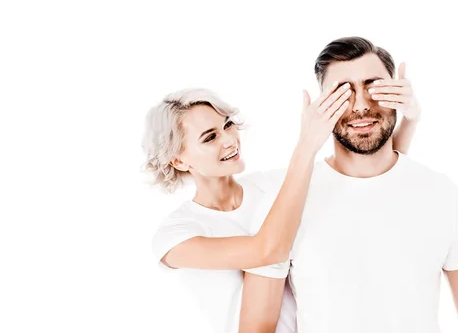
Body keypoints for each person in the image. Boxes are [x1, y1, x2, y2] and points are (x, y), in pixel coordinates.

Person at [239, 37, 458, 333]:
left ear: (397, 92)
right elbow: (256, 328)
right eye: (342, 92)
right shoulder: (283, 203)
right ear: (322, 104)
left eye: (374, 87)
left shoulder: (443, 195)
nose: (361, 104)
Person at [143, 74, 422, 332]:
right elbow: (267, 251)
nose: (229, 140)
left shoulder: (274, 187)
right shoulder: (176, 235)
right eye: (210, 137)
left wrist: (410, 118)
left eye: (227, 125)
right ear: (179, 160)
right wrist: (306, 145)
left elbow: (369, 178)